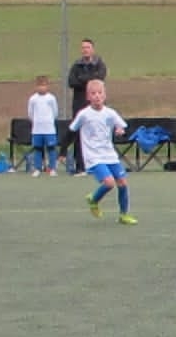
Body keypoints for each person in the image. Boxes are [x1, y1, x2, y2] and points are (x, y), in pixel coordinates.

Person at [70, 79, 134, 224]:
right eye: (93, 93)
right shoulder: (84, 114)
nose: (97, 96)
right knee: (110, 183)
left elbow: (122, 127)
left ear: (104, 95)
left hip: (109, 155)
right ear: (88, 97)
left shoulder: (110, 113)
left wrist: (120, 130)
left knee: (122, 183)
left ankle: (124, 215)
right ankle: (94, 199)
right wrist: (62, 151)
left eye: (100, 93)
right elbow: (72, 130)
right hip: (94, 157)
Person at [64, 38, 106, 175]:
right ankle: (80, 167)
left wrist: (83, 79)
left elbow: (99, 78)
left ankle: (98, 165)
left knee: (97, 133)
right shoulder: (76, 65)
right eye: (83, 48)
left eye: (87, 47)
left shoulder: (99, 64)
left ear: (92, 49)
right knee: (79, 134)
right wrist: (88, 80)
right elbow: (72, 81)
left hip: (95, 106)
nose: (85, 50)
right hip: (79, 104)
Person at [27, 73, 61, 175]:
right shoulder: (33, 99)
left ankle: (52, 169)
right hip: (37, 129)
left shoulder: (51, 98)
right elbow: (30, 113)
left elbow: (55, 112)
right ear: (36, 86)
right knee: (38, 149)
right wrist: (36, 121)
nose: (42, 87)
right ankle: (38, 168)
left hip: (49, 129)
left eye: (44, 85)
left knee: (51, 149)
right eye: (39, 85)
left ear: (47, 86)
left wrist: (49, 121)